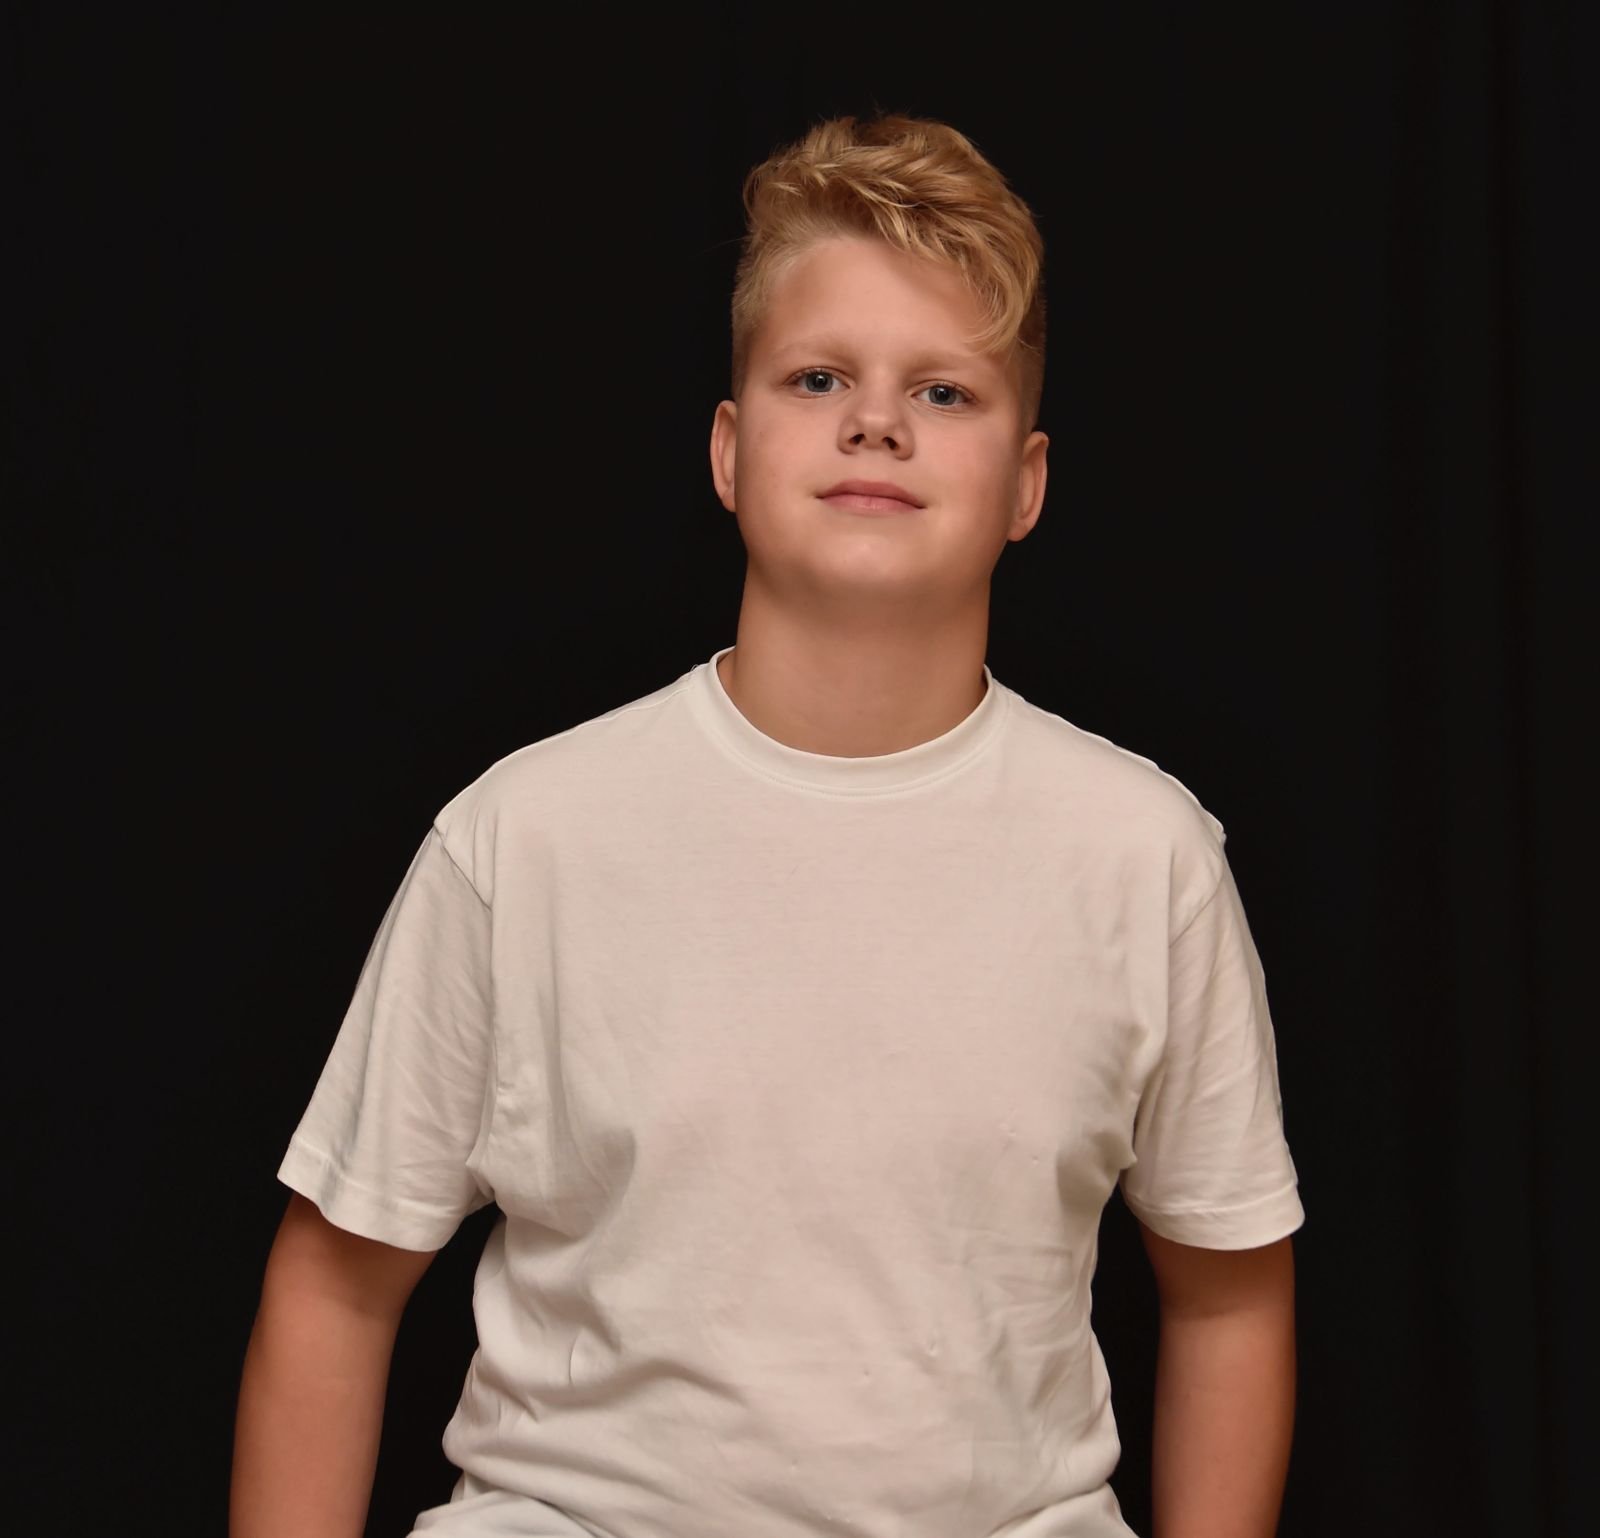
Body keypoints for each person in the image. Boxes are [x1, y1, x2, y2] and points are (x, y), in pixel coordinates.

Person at [231, 112, 1303, 1538]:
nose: (877, 422)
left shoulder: (1145, 856)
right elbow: (336, 1282)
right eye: (819, 377)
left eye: (944, 390)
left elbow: (1229, 1293)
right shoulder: (525, 837)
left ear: (1027, 485)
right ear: (730, 452)